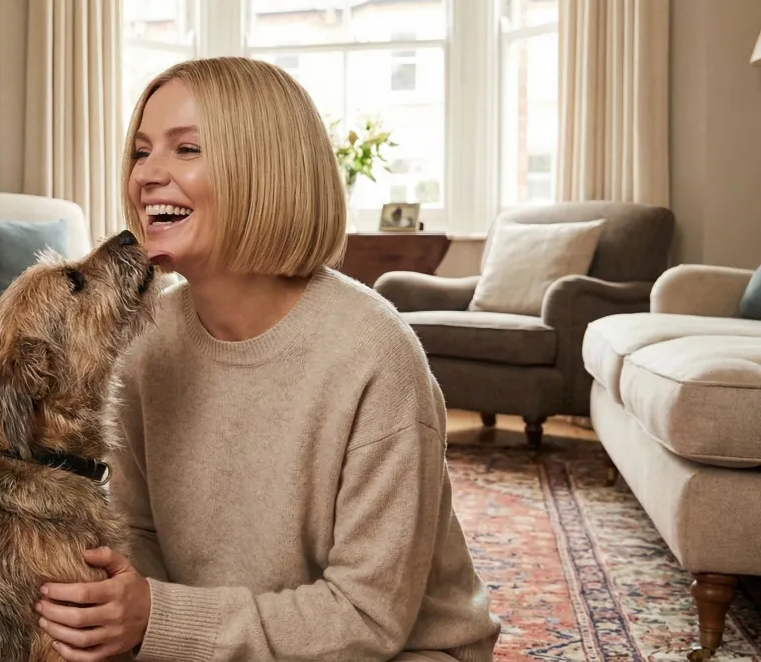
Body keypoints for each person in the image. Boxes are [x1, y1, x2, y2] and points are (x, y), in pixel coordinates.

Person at [33, 56, 502, 662]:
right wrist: (118, 606)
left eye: (187, 149)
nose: (148, 174)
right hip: (215, 643)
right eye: (141, 152)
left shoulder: (374, 355)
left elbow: (368, 617)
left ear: (266, 171)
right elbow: (139, 533)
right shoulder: (145, 345)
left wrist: (159, 618)